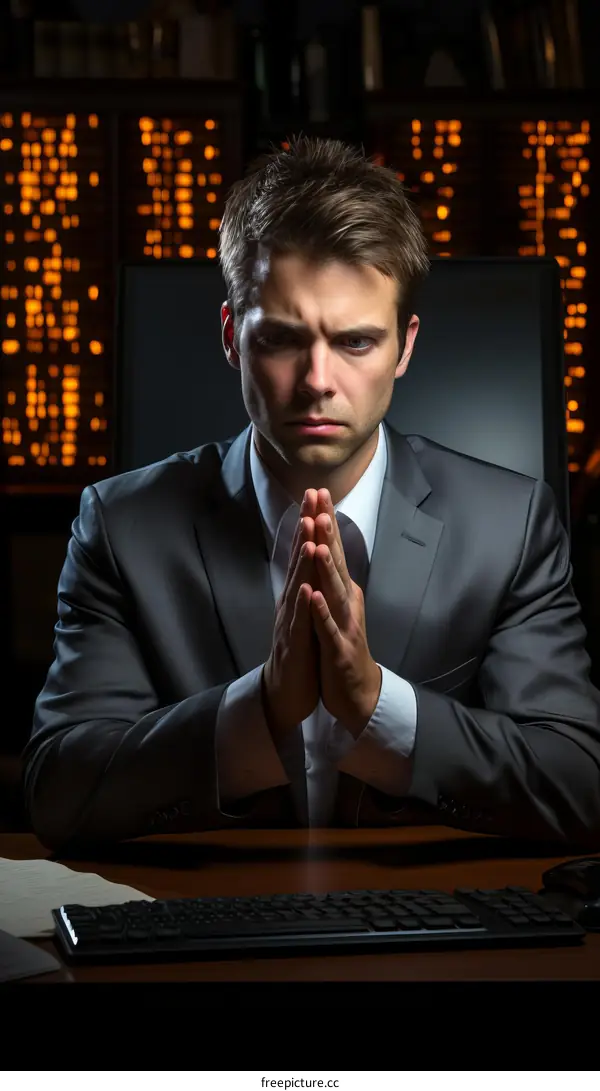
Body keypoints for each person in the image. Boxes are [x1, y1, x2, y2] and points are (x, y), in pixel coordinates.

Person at [24, 136, 600, 851]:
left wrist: (379, 705)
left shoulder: (511, 526)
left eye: (356, 342)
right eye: (282, 339)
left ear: (405, 347)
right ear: (233, 338)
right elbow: (61, 790)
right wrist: (259, 709)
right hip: (207, 938)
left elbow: (579, 782)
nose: (319, 379)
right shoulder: (122, 525)